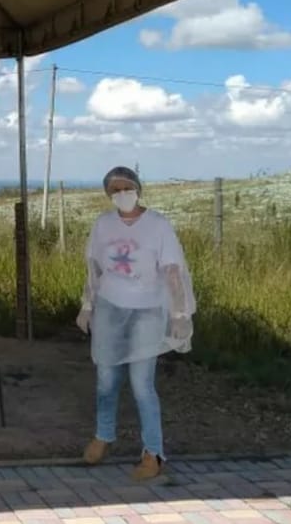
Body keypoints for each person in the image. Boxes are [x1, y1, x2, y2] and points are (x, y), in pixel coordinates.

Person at [75, 166, 196, 482]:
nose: (121, 194)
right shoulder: (103, 225)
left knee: (142, 385)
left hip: (146, 311)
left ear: (137, 188)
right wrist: (87, 305)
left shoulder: (158, 225)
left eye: (125, 187)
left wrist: (180, 313)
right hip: (110, 309)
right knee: (106, 381)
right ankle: (103, 436)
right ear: (108, 195)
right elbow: (94, 268)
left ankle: (153, 453)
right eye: (114, 190)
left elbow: (172, 271)